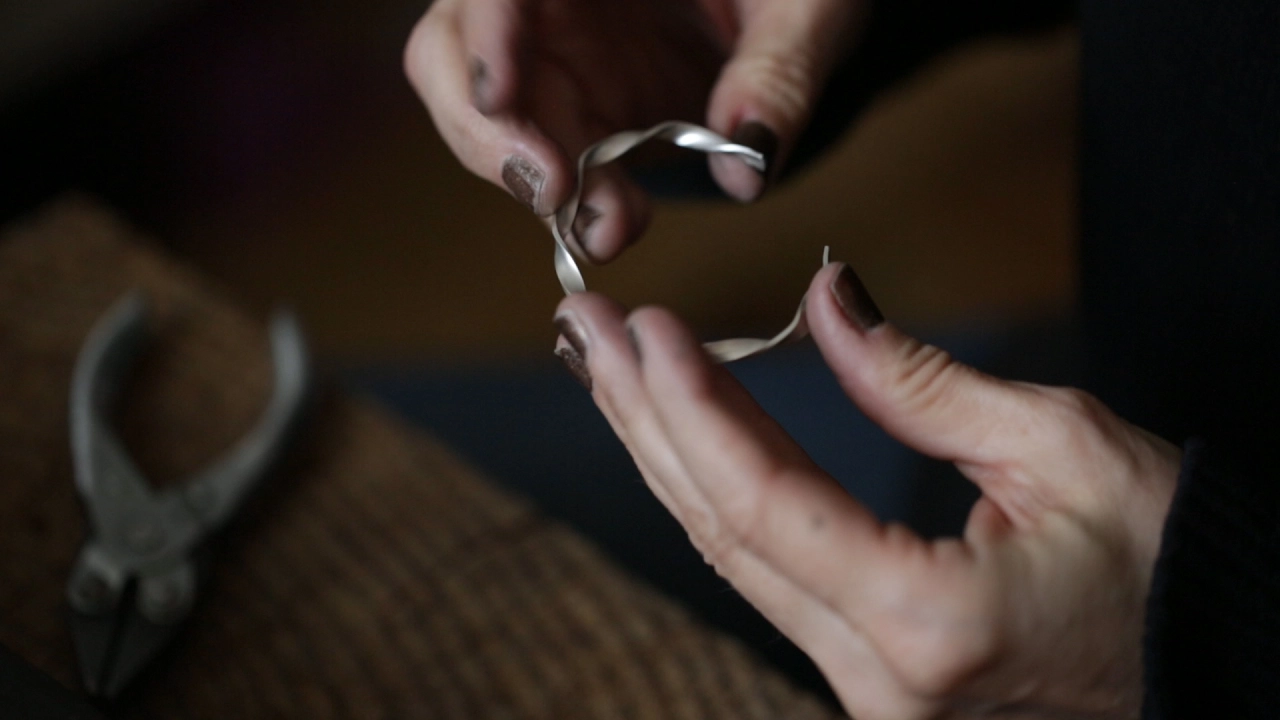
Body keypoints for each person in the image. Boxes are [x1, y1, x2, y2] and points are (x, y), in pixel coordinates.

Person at [403, 1, 1280, 717]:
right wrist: (724, 30)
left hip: (1137, 589)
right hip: (1086, 406)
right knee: (391, 458)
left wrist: (1219, 639)